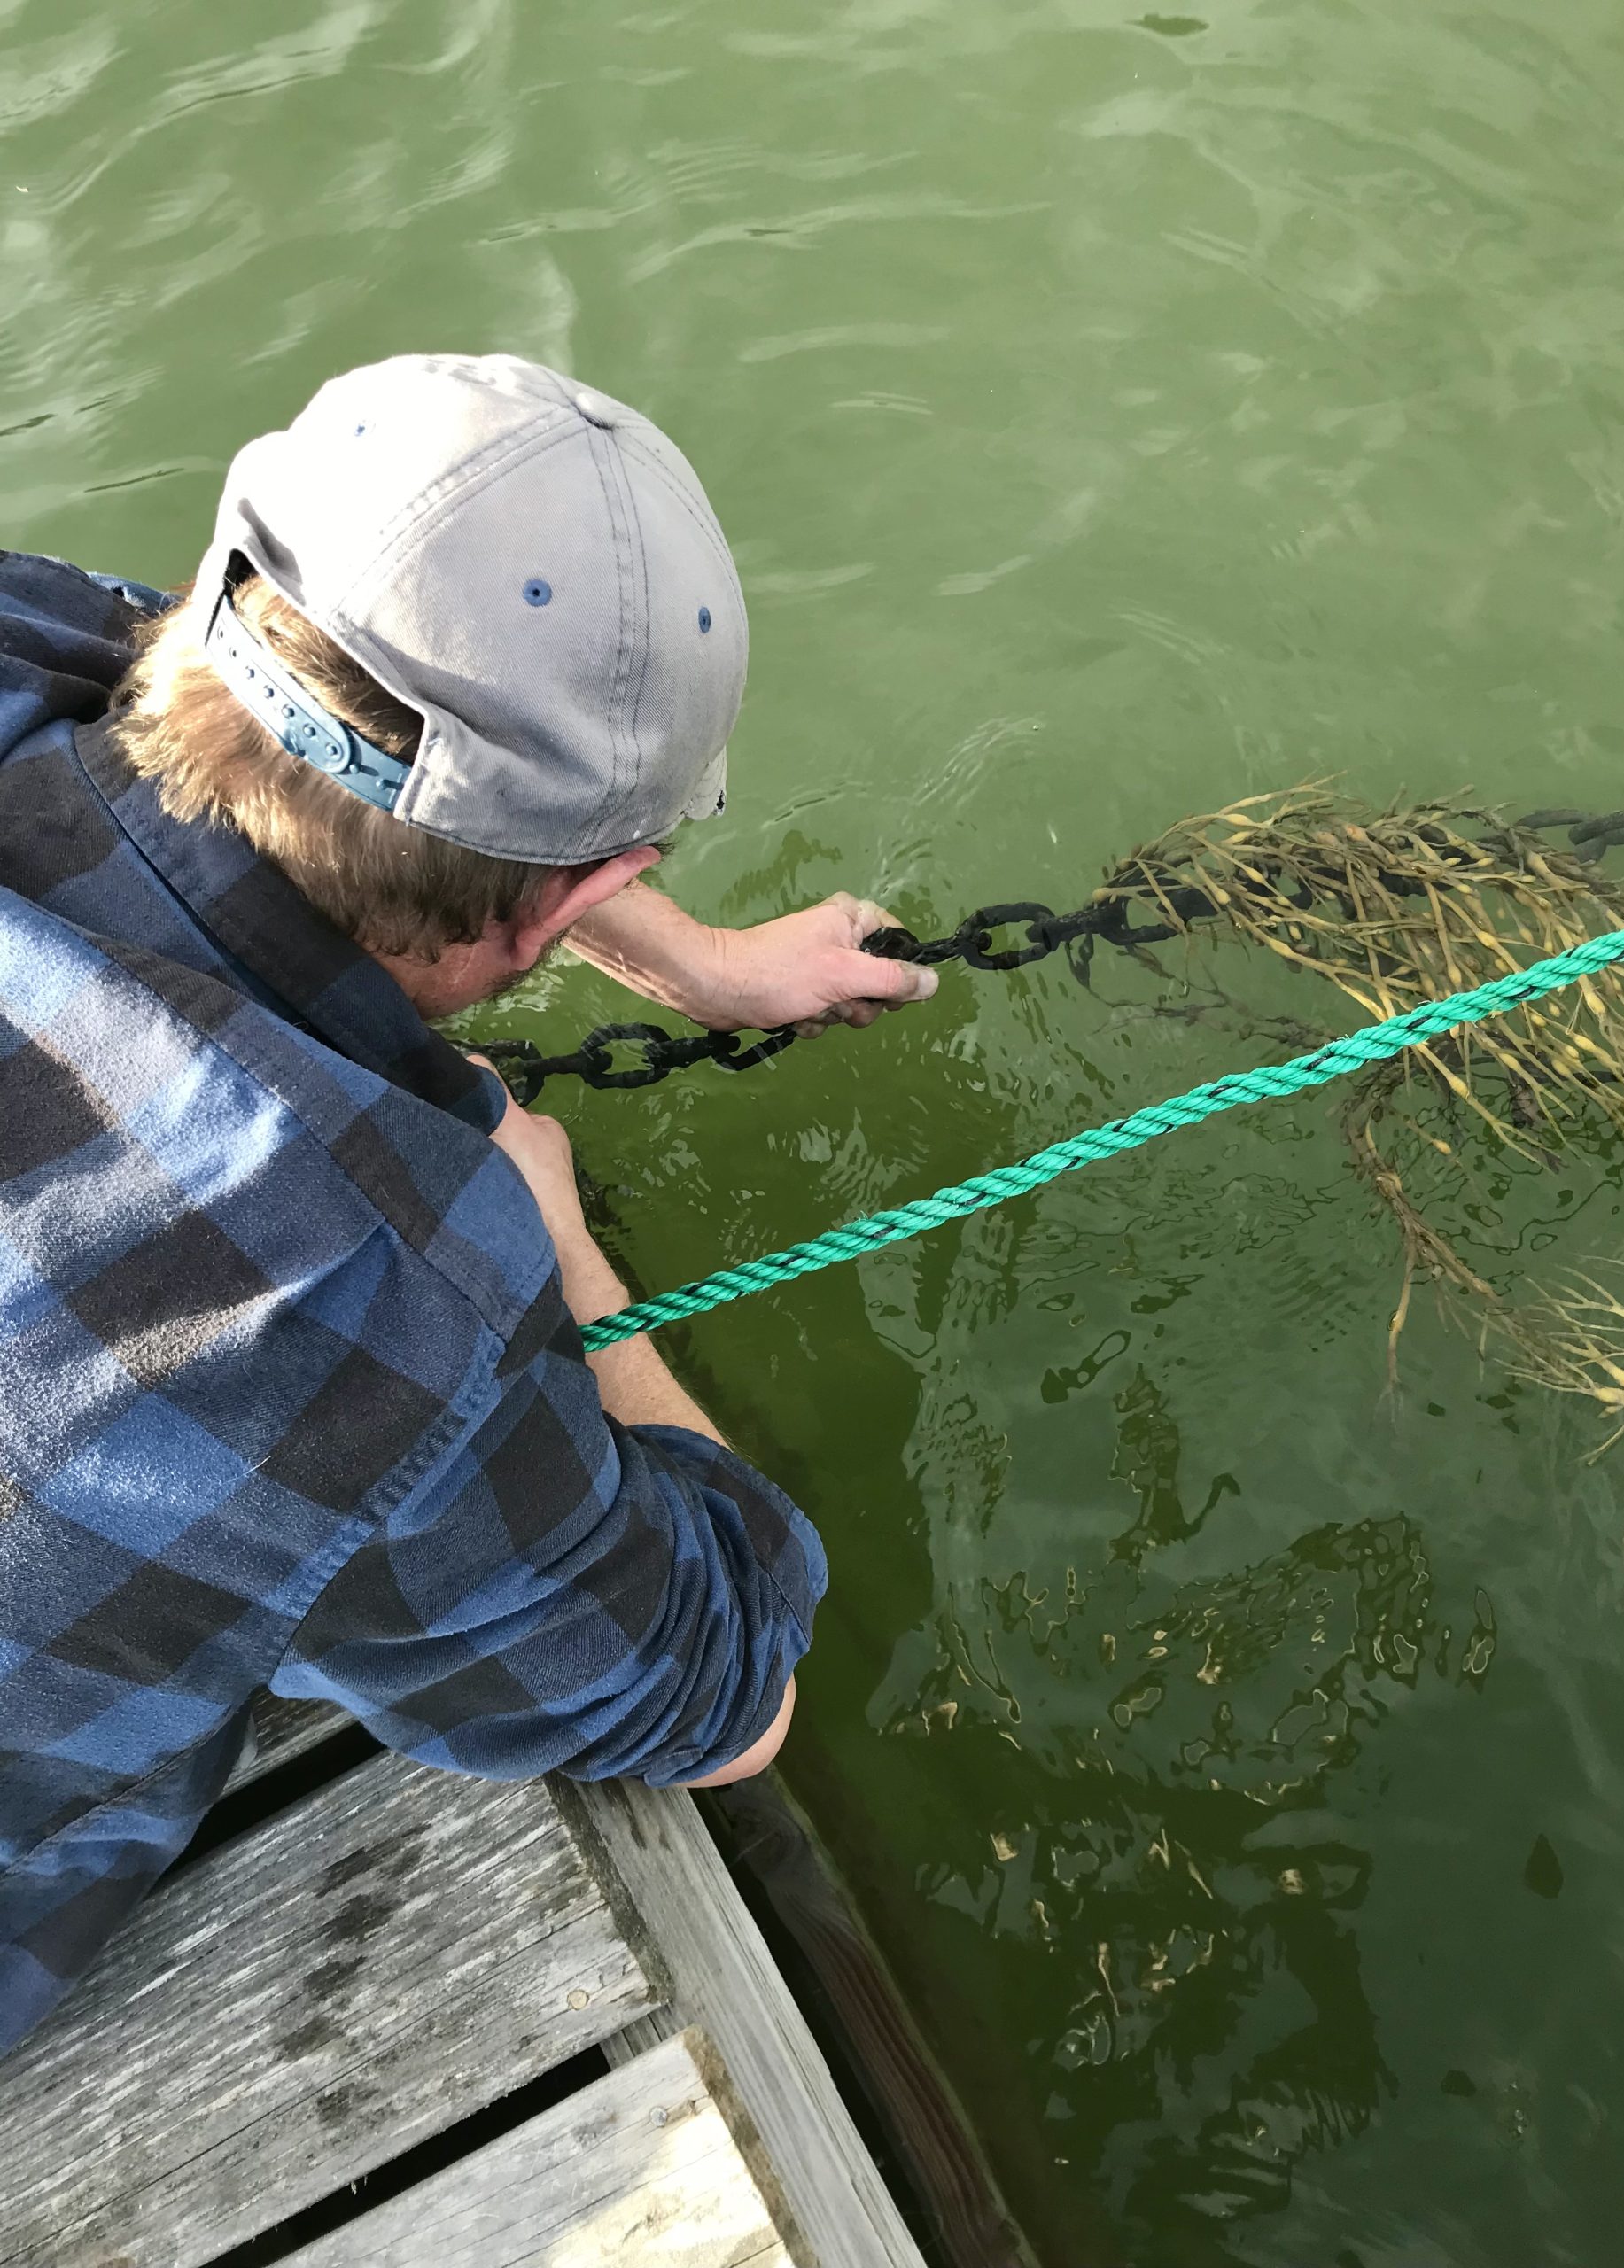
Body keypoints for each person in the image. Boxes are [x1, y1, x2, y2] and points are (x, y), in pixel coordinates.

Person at [0, 353, 937, 2054]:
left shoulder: (34, 632)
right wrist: (553, 1241)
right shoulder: (364, 1299)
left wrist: (703, 968)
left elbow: (326, 751)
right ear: (585, 885)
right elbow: (724, 1694)